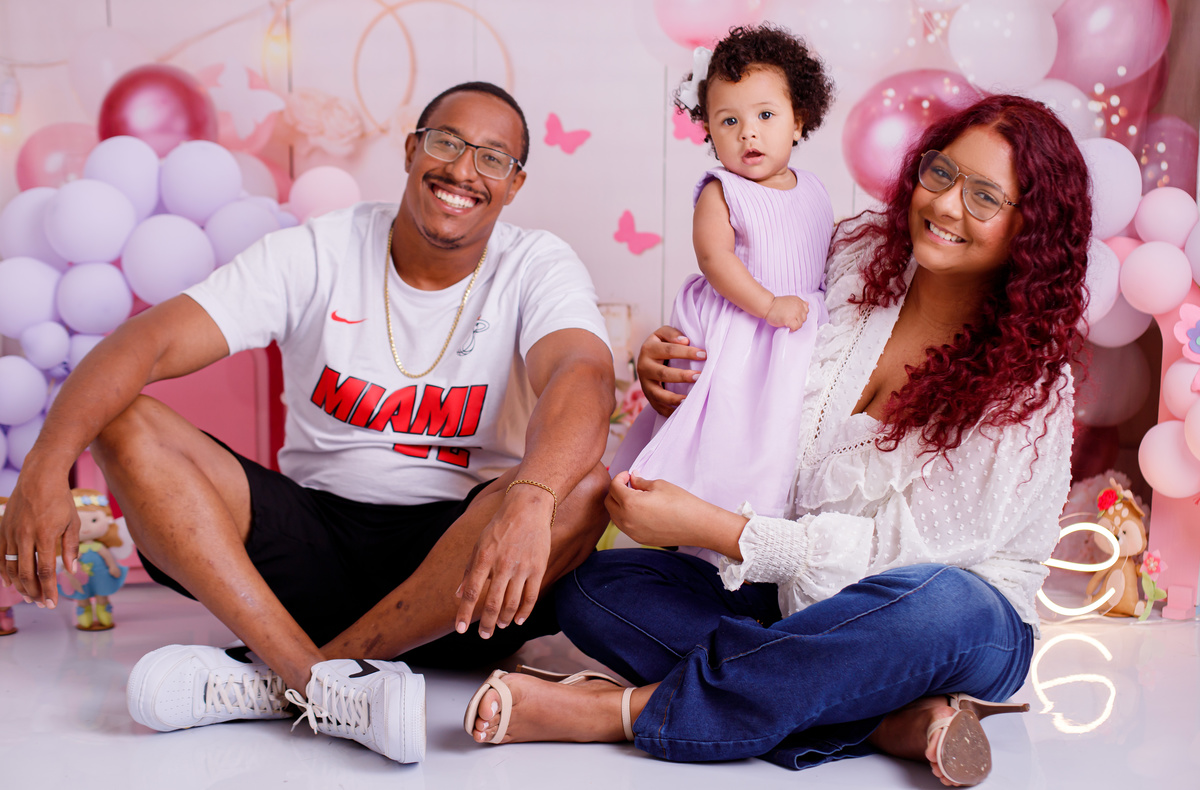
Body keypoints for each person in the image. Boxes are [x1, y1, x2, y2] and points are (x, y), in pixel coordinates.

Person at [464, 94, 1089, 788]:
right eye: (941, 173)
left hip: (950, 623)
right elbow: (743, 332)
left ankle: (624, 713)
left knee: (944, 601)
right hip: (797, 597)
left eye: (984, 197)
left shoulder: (1030, 384)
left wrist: (723, 531)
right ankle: (883, 718)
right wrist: (672, 366)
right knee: (594, 588)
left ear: (1030, 228)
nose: (944, 205)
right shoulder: (856, 256)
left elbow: (910, 554)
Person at [0, 81, 615, 764]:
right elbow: (144, 343)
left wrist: (531, 499)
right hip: (307, 552)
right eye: (446, 142)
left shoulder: (535, 263)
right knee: (124, 420)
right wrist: (44, 467)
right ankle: (318, 679)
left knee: (584, 488)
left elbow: (582, 377)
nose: (464, 170)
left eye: (493, 158)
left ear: (514, 183)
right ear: (412, 150)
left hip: (462, 582)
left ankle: (286, 678)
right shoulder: (321, 249)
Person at [616, 25, 835, 524]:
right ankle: (708, 509)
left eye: (765, 116)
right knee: (732, 426)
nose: (747, 132)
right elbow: (715, 259)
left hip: (798, 325)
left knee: (785, 433)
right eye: (729, 120)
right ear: (710, 133)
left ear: (798, 121)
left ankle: (769, 522)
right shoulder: (722, 191)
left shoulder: (814, 188)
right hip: (744, 322)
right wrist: (767, 305)